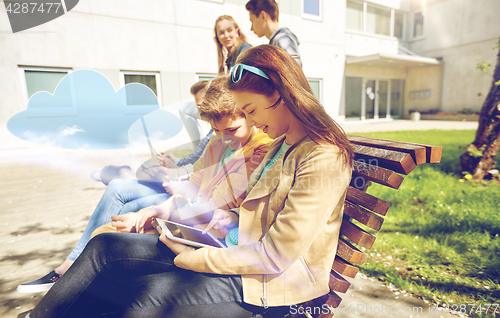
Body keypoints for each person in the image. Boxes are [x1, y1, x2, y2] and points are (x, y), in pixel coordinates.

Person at [23, 45, 353, 318]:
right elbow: (241, 212)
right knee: (104, 248)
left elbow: (274, 255)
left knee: (131, 300)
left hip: (272, 288)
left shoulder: (323, 157)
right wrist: (192, 223)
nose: (251, 121)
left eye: (251, 110)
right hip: (236, 256)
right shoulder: (283, 144)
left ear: (282, 94)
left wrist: (187, 254)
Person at [16, 76, 272, 295]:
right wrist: (154, 212)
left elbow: (217, 207)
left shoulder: (261, 152)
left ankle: (67, 299)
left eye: (231, 129)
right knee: (106, 232)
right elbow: (194, 186)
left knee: (108, 242)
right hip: (190, 225)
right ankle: (65, 297)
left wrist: (160, 217)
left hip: (207, 239)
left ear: (250, 115)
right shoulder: (219, 144)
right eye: (216, 131)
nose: (223, 138)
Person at [246, 0, 303, 67]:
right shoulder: (276, 41)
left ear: (263, 16)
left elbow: (294, 71)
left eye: (252, 21)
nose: (251, 28)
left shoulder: (281, 39)